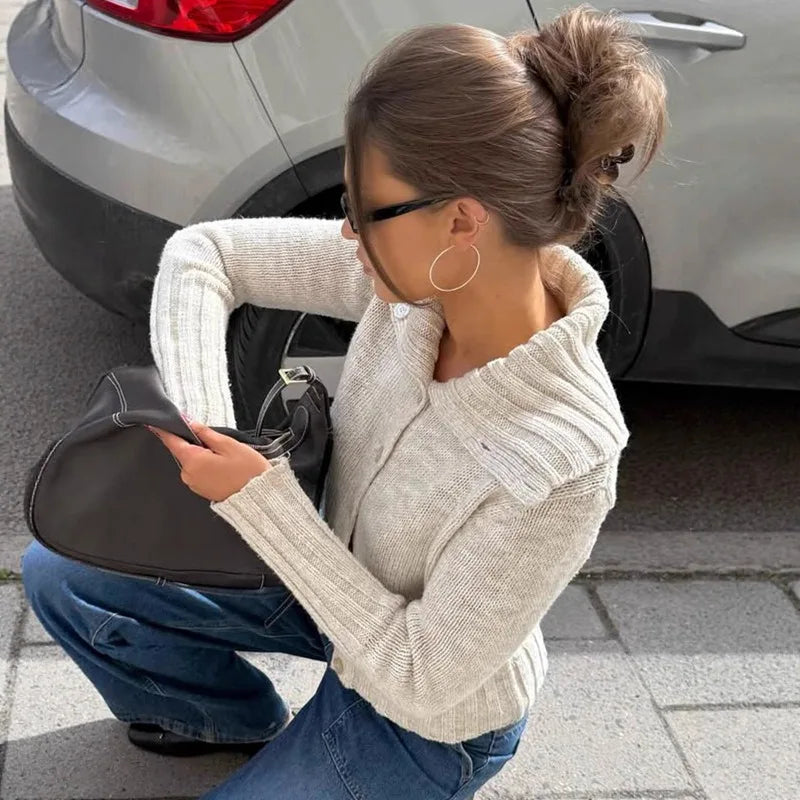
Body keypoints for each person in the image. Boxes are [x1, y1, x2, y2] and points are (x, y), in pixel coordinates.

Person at [22, 6, 667, 799]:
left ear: (462, 221)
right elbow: (204, 253)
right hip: (321, 582)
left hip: (426, 716)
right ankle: (212, 716)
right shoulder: (417, 283)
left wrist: (261, 502)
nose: (347, 235)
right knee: (63, 572)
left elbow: (420, 674)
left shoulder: (566, 457)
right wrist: (210, 428)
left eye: (367, 212)